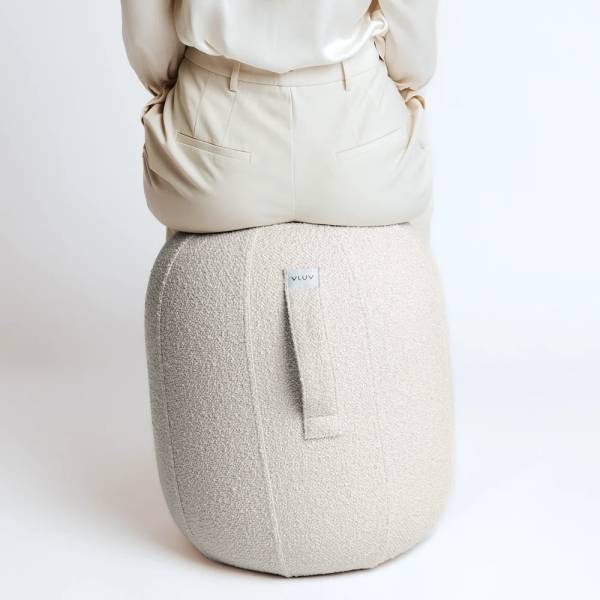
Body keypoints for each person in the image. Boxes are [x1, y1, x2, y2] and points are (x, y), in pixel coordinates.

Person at [120, 0, 438, 235]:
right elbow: (413, 53)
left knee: (189, 191)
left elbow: (147, 39)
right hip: (360, 145)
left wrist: (177, 84)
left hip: (212, 136)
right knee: (406, 185)